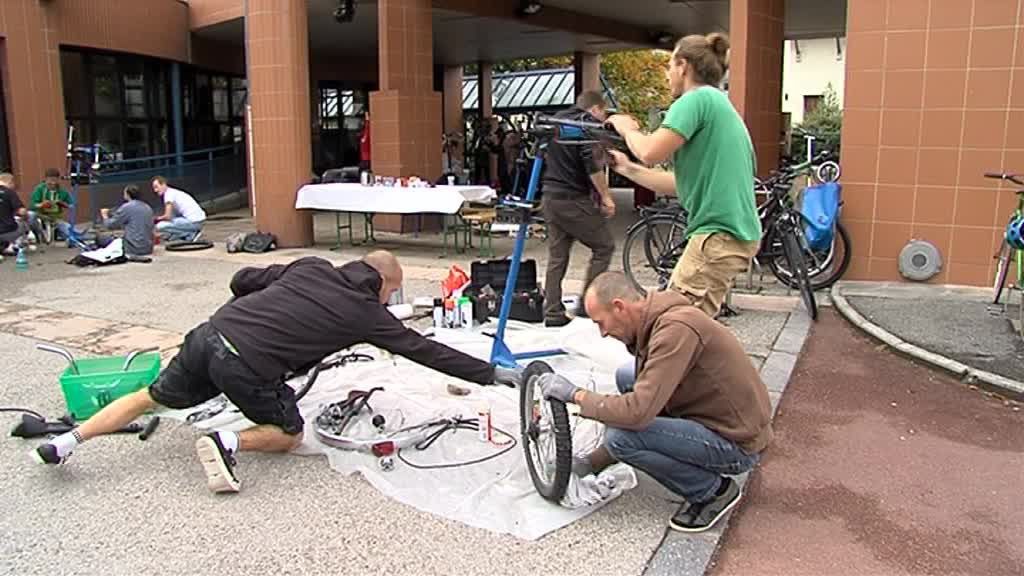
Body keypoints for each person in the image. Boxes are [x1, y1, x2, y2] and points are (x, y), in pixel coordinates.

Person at [30, 251, 522, 492]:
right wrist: (490, 375)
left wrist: (254, 310)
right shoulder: (365, 312)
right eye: (391, 291)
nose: (390, 298)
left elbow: (241, 278)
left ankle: (65, 442)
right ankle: (227, 442)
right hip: (247, 365)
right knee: (290, 433)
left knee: (149, 398)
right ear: (382, 284)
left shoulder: (310, 266)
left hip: (208, 334)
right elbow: (423, 350)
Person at [538, 271, 773, 532]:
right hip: (721, 418)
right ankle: (615, 457)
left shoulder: (675, 330)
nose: (603, 333)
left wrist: (576, 394)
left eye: (601, 323)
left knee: (621, 438)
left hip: (737, 443)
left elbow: (638, 412)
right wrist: (592, 463)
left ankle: (712, 491)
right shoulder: (656, 319)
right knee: (627, 376)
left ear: (619, 307)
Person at [606, 33, 761, 318]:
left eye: (669, 66)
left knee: (674, 323)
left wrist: (626, 128)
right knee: (692, 325)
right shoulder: (718, 105)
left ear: (683, 66)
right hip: (732, 236)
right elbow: (680, 184)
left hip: (717, 235)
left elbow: (650, 152)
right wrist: (626, 168)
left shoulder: (694, 100)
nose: (667, 75)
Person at [540, 90, 616, 327]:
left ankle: (552, 311)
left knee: (557, 256)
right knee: (604, 246)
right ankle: (587, 306)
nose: (603, 119)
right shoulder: (584, 125)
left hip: (550, 196)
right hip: (573, 199)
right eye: (603, 113)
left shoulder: (555, 122)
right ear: (595, 109)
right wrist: (606, 197)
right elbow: (592, 166)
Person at [100, 185, 155, 258]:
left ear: (128, 195)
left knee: (102, 238)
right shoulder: (148, 207)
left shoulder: (127, 207)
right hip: (148, 248)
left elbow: (110, 225)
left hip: (133, 248)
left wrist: (104, 215)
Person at [152, 176, 206, 242]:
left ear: (163, 184)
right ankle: (189, 235)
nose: (155, 190)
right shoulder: (173, 192)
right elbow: (172, 216)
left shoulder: (168, 195)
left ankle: (191, 233)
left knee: (160, 226)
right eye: (154, 188)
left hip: (194, 222)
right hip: (199, 221)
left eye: (156, 187)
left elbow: (168, 216)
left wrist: (156, 219)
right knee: (170, 234)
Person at [29, 168, 73, 243]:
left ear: (58, 180)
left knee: (71, 232)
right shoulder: (39, 189)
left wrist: (63, 204)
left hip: (55, 219)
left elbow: (71, 205)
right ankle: (37, 234)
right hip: (41, 216)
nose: (53, 183)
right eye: (50, 182)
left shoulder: (62, 191)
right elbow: (32, 206)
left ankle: (59, 234)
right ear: (45, 179)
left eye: (55, 181)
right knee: (31, 215)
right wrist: (42, 205)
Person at [0, 173, 32, 261]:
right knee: (23, 222)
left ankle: (4, 247)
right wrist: (26, 217)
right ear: (10, 182)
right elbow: (22, 211)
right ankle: (16, 244)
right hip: (6, 232)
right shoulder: (10, 193)